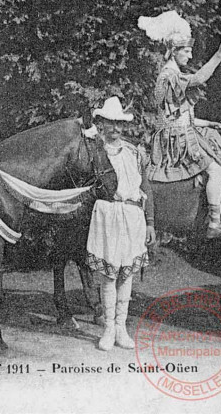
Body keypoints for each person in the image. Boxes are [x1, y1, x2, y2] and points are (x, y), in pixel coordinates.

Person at [140, 11, 221, 238]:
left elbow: (179, 113)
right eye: (186, 51)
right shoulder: (169, 75)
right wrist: (220, 53)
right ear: (173, 52)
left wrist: (207, 122)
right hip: (176, 137)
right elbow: (198, 79)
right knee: (215, 167)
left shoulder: (174, 73)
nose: (190, 54)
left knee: (215, 141)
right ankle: (214, 223)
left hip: (181, 128)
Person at [86, 97, 156, 351]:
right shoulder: (95, 151)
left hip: (133, 216)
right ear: (101, 124)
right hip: (107, 214)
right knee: (109, 274)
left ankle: (121, 328)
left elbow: (145, 186)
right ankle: (107, 329)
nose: (115, 129)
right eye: (110, 123)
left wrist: (150, 222)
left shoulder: (134, 152)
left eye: (119, 124)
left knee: (127, 275)